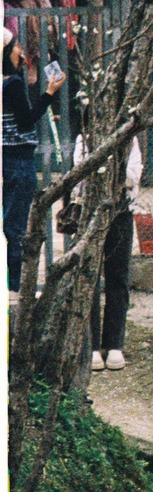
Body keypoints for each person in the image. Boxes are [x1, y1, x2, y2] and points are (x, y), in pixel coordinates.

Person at [73, 132, 142, 370]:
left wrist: (106, 172)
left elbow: (133, 177)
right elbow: (81, 176)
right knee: (89, 277)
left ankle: (114, 344)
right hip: (91, 213)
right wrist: (113, 173)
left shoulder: (130, 139)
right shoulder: (85, 137)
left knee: (118, 276)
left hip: (121, 211)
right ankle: (91, 346)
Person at [4, 25, 65, 293]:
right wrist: (50, 93)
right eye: (16, 46)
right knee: (16, 228)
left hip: (5, 158)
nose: (21, 50)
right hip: (19, 160)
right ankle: (16, 286)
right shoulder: (13, 83)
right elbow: (27, 121)